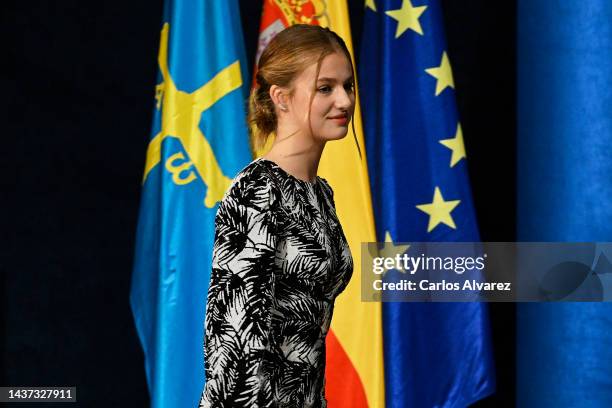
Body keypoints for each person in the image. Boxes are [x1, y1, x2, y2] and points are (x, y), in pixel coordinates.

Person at [199, 24, 356, 408]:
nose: (345, 101)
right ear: (281, 97)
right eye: (325, 88)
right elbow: (232, 343)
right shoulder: (258, 189)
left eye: (348, 86)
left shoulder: (320, 194)